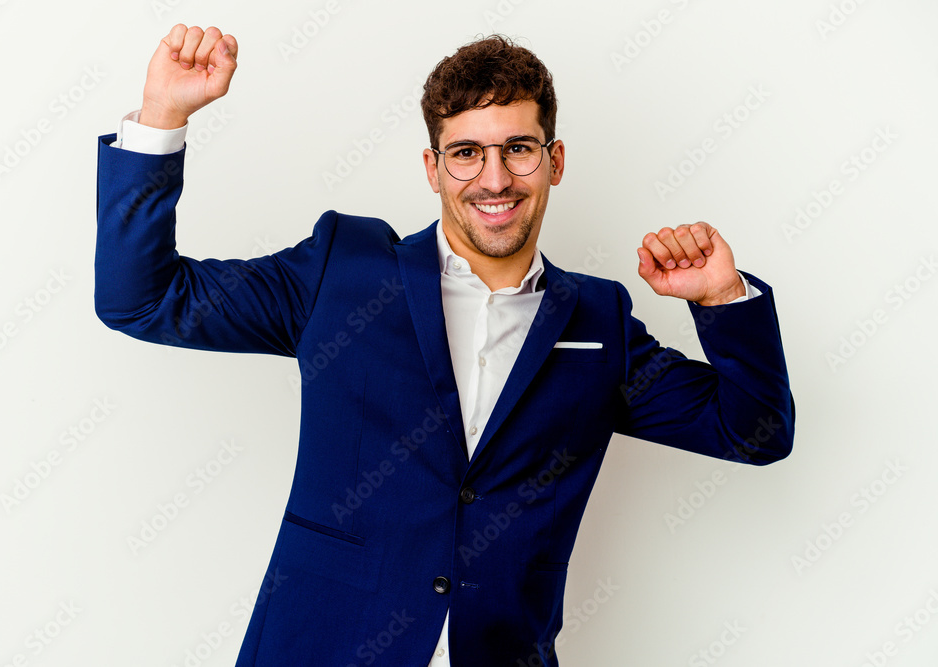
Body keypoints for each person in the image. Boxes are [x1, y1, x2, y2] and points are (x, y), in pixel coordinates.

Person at [95, 24, 794, 667]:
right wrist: (162, 117)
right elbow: (142, 300)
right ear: (433, 168)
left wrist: (721, 298)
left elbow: (755, 432)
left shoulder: (598, 319)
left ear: (553, 160)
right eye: (466, 153)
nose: (495, 179)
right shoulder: (342, 271)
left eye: (518, 148)